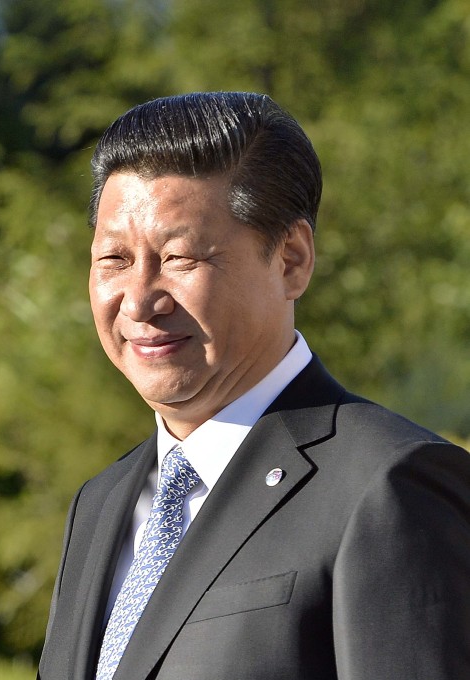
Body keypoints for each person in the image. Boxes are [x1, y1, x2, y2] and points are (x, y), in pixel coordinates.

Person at [38, 92, 470, 679]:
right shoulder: (102, 502)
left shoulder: (389, 484)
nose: (139, 301)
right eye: (113, 259)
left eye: (180, 258)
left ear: (291, 259)